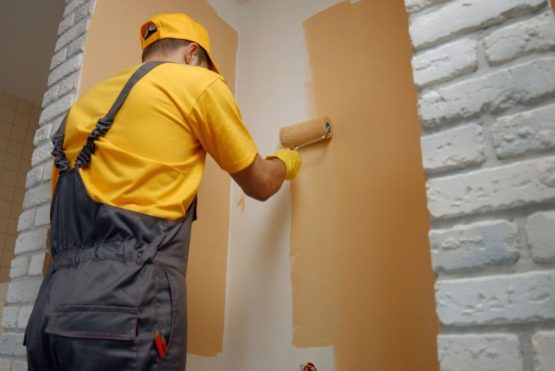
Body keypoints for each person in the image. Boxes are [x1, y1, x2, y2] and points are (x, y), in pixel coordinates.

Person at [24, 12, 301, 371]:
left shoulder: (85, 107)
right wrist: (286, 161)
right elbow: (261, 183)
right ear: (191, 53)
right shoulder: (195, 84)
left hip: (49, 311)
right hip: (123, 306)